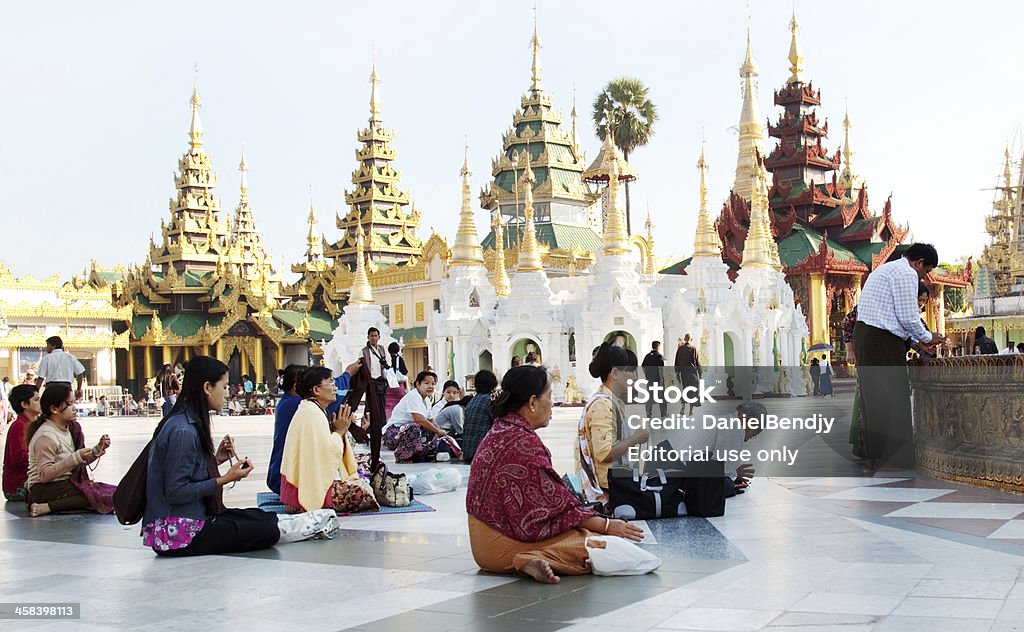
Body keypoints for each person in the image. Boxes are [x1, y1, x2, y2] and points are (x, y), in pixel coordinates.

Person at [466, 365, 650, 584]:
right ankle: (527, 558)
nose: (552, 403)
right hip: (502, 545)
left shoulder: (502, 430)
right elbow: (558, 507)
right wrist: (608, 526)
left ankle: (529, 560)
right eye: (550, 396)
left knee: (590, 535)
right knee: (610, 547)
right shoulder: (523, 443)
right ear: (533, 402)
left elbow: (549, 503)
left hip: (483, 544)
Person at [142, 355, 339, 556]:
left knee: (257, 517)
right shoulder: (183, 431)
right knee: (262, 530)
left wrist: (216, 459)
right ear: (208, 388)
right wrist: (226, 479)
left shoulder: (185, 422)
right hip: (175, 534)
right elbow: (176, 491)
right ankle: (311, 525)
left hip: (189, 520)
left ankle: (311, 521)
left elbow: (184, 472)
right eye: (225, 386)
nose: (227, 393)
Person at [854, 243, 946, 470]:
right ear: (919, 262)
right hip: (880, 340)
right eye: (926, 270)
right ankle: (896, 458)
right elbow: (907, 316)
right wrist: (927, 336)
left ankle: (877, 455)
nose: (924, 276)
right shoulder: (906, 273)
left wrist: (916, 342)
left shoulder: (888, 269)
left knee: (875, 399)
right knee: (894, 397)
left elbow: (894, 317)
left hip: (869, 335)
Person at [279, 366, 378, 514]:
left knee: (373, 461)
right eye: (331, 383)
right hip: (302, 492)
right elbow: (327, 452)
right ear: (316, 390)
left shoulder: (315, 409)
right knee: (361, 491)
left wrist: (344, 431)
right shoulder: (312, 414)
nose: (335, 387)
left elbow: (327, 449)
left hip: (302, 486)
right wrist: (340, 431)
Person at [25, 382, 114, 517]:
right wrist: (76, 457)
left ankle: (60, 504)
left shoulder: (71, 429)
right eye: (70, 404)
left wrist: (97, 449)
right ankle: (48, 506)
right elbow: (44, 475)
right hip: (44, 488)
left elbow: (80, 461)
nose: (74, 408)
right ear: (54, 409)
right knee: (99, 496)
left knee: (113, 492)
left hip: (65, 484)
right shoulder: (46, 435)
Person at [576, 343, 650, 502]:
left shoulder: (612, 401)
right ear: (615, 373)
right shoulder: (602, 405)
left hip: (616, 484)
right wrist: (636, 439)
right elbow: (604, 452)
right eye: (630, 372)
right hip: (607, 491)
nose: (634, 377)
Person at [382, 371, 455, 462]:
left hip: (406, 433)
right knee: (415, 427)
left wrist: (439, 432)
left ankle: (422, 454)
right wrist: (437, 431)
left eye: (433, 384)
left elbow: (431, 420)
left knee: (431, 430)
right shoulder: (414, 396)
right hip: (392, 434)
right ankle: (402, 456)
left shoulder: (427, 400)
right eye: (426, 383)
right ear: (418, 384)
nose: (430, 386)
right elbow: (419, 419)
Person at [267, 364, 305, 495]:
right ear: (296, 386)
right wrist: (347, 375)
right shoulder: (297, 403)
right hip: (284, 476)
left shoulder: (288, 401)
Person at [4, 385, 40, 501]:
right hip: (17, 485)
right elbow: (19, 459)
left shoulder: (35, 424)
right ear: (24, 404)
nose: (40, 403)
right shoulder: (19, 426)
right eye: (36, 400)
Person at [462, 370, 498, 462]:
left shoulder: (472, 401)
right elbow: (499, 424)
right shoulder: (489, 400)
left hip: (468, 451)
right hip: (481, 451)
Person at [674, 334, 702, 415]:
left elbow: (677, 361)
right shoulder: (694, 349)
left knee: (685, 389)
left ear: (684, 339)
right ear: (691, 339)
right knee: (693, 390)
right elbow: (698, 361)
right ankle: (690, 411)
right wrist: (700, 372)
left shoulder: (680, 349)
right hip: (692, 373)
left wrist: (677, 372)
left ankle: (683, 408)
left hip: (683, 372)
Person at [641, 341, 667, 418]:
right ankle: (663, 414)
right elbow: (660, 368)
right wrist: (661, 378)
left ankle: (648, 413)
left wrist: (647, 375)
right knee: (661, 397)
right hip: (657, 380)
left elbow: (643, 367)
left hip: (649, 380)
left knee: (649, 396)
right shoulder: (659, 356)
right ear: (658, 347)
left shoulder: (647, 356)